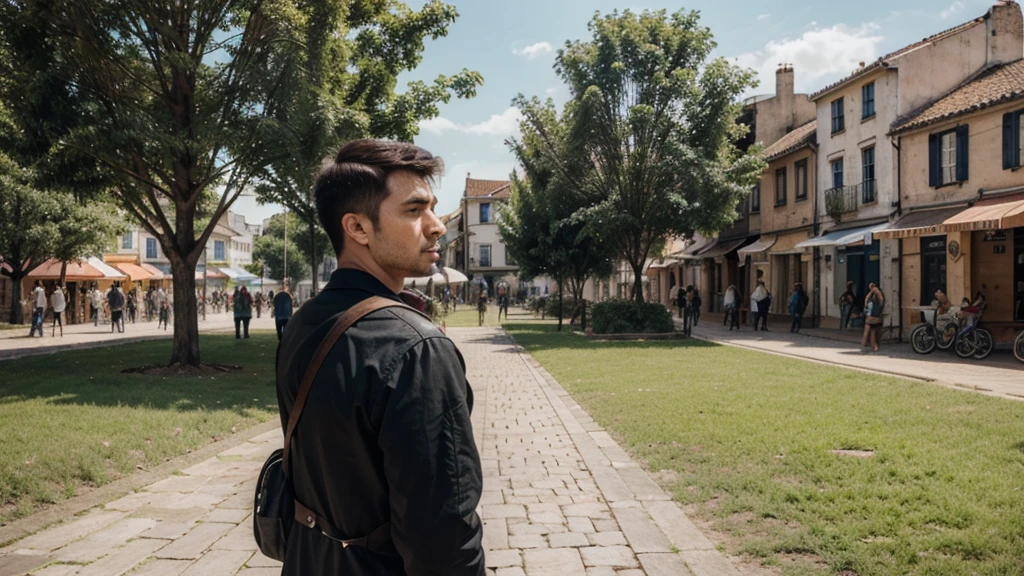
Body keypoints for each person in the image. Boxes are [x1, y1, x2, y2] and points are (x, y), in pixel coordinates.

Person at [275, 139, 484, 575]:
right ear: (358, 228)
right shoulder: (416, 348)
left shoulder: (302, 323)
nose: (437, 226)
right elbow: (443, 540)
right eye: (413, 210)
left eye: (433, 208)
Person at [860, 282, 885, 353]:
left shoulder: (876, 293)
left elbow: (881, 302)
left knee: (868, 330)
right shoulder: (874, 295)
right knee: (872, 331)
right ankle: (873, 346)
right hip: (873, 316)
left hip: (873, 316)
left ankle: (865, 345)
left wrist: (873, 290)